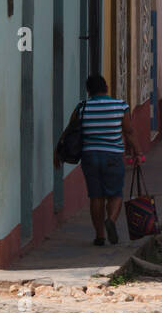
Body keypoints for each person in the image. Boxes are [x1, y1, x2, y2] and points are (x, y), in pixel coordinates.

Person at [54, 74, 138, 246]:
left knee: (96, 196)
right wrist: (138, 152)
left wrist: (57, 152)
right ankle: (112, 220)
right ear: (106, 87)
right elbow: (128, 132)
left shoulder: (82, 107)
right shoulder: (120, 106)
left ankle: (99, 236)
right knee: (115, 194)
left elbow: (70, 130)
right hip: (113, 156)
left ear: (88, 90)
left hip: (90, 156)